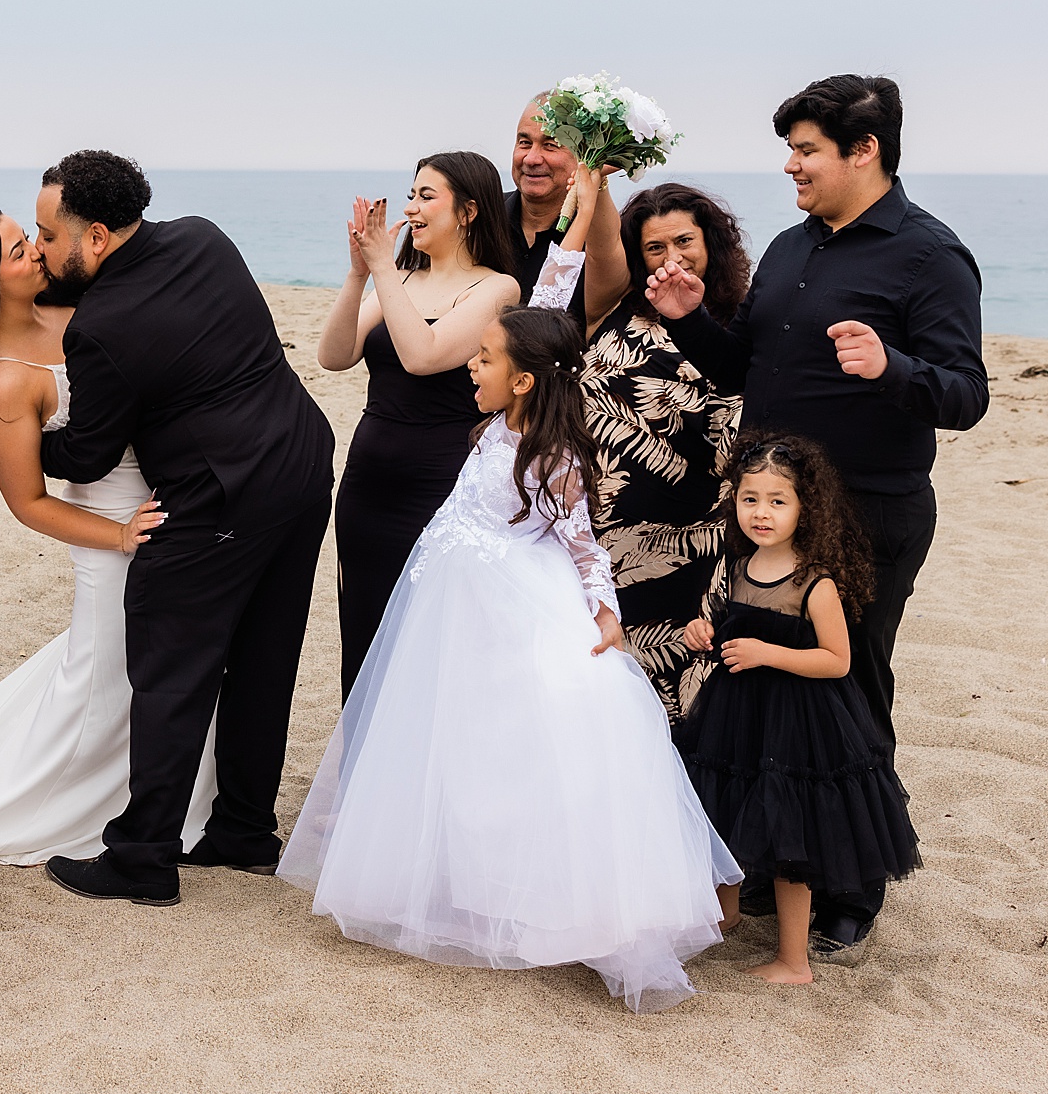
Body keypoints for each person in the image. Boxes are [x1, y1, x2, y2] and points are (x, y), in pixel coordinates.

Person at [279, 303, 740, 1011]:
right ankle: (466, 880)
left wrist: (607, 611)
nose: (473, 363)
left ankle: (559, 903)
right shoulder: (495, 426)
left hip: (515, 604)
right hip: (458, 607)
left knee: (530, 736)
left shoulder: (552, 459)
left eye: (487, 358)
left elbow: (584, 541)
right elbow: (553, 290)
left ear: (524, 380)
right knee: (464, 736)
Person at [644, 73, 987, 960]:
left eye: (806, 150)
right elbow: (745, 365)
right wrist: (688, 322)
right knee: (755, 686)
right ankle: (768, 861)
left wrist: (891, 368)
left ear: (863, 150)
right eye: (790, 150)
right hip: (766, 511)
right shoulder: (794, 248)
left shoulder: (929, 256)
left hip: (866, 511)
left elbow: (966, 395)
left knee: (843, 688)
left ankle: (849, 883)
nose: (790, 166)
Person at [30, 150, 337, 906]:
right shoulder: (205, 236)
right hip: (304, 460)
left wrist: (23, 430)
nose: (39, 250)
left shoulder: (101, 325)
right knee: (266, 656)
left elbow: (89, 452)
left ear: (95, 236)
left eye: (47, 235)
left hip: (224, 496)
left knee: (169, 664)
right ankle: (243, 829)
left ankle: (143, 857)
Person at [0, 207, 221, 863]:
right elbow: (27, 502)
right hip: (110, 531)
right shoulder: (2, 382)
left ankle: (170, 797)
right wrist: (119, 536)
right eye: (22, 250)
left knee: (164, 665)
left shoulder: (80, 307)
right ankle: (43, 809)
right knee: (103, 674)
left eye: (33, 240)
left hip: (171, 506)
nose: (40, 252)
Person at [318, 152, 601, 697]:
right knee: (362, 632)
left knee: (424, 640)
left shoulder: (497, 289)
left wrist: (381, 270)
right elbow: (334, 355)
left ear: (468, 211)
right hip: (368, 482)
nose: (411, 208)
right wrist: (360, 275)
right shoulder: (399, 277)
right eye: (411, 195)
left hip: (440, 482)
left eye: (427, 196)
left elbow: (423, 354)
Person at [677, 433, 921, 984]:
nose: (761, 513)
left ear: (805, 507)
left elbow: (837, 660)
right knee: (726, 810)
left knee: (789, 839)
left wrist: (768, 653)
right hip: (738, 714)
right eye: (750, 499)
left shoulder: (815, 582)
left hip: (798, 721)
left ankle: (793, 960)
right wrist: (707, 635)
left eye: (777, 501)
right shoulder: (740, 569)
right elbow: (738, 635)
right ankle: (729, 911)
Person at [578, 182, 751, 716]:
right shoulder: (614, 312)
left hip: (693, 541)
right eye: (656, 248)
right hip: (603, 534)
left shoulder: (738, 322)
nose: (672, 258)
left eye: (684, 242)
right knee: (603, 679)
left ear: (711, 244)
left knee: (682, 686)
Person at [505, 94, 631, 328]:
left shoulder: (601, 239)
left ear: (584, 155)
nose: (531, 158)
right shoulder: (479, 215)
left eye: (551, 145)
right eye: (524, 143)